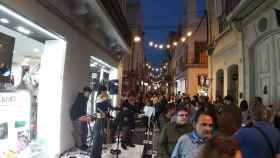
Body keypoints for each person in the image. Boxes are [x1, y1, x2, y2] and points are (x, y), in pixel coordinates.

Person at [91, 86, 112, 158]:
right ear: (101, 91)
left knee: (100, 140)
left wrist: (108, 114)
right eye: (105, 91)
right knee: (97, 140)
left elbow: (108, 108)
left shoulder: (105, 98)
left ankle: (98, 156)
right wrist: (103, 112)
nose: (106, 92)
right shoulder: (99, 97)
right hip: (99, 120)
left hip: (103, 120)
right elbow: (97, 107)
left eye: (106, 91)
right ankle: (93, 156)